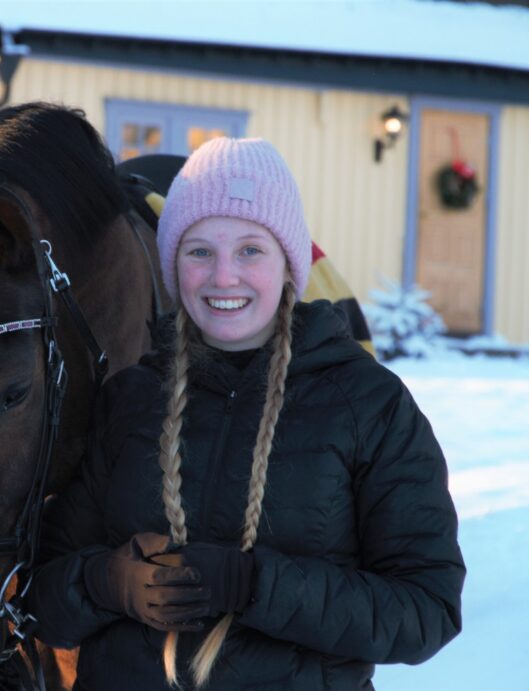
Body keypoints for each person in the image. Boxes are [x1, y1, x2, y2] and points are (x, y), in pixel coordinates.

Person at [28, 138, 465, 690]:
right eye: (199, 251)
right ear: (173, 264)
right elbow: (37, 599)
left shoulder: (367, 405)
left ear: (288, 262)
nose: (224, 277)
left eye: (251, 250)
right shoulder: (129, 400)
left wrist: (253, 584)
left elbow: (426, 610)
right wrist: (103, 582)